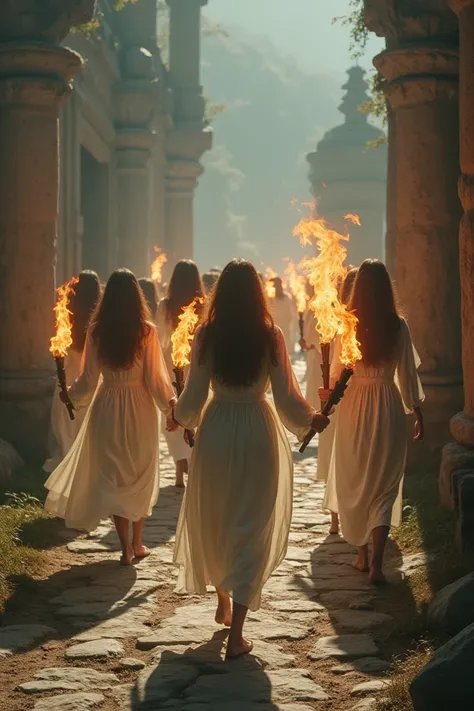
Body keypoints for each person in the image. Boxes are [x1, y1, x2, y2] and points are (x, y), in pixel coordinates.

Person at [172, 259, 330, 659]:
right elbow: (287, 397)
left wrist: (179, 416)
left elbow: (192, 396)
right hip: (259, 432)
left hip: (218, 431)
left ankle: (222, 599)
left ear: (220, 294)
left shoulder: (206, 335)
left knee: (220, 518)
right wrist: (311, 418)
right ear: (258, 294)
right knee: (251, 526)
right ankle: (237, 631)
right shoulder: (270, 335)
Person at [44, 269, 177, 566]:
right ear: (136, 297)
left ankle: (125, 547)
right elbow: (156, 379)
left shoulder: (97, 330)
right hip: (141, 407)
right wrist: (171, 408)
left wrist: (71, 395)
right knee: (140, 474)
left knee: (115, 475)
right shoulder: (147, 331)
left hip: (107, 407)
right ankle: (138, 542)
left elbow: (88, 379)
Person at [324, 260, 424, 584]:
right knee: (384, 485)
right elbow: (408, 375)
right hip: (388, 405)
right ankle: (377, 564)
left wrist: (328, 399)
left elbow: (340, 375)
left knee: (358, 479)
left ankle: (362, 553)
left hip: (355, 405)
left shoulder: (348, 326)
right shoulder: (399, 326)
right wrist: (417, 411)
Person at [315, 267, 359, 535]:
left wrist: (331, 391)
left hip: (349, 398)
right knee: (348, 458)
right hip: (360, 397)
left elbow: (337, 368)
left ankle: (337, 518)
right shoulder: (339, 321)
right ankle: (340, 517)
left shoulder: (344, 323)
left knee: (340, 457)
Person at [43, 270, 101, 472]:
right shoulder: (99, 321)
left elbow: (57, 346)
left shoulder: (65, 314)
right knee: (84, 430)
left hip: (66, 377)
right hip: (90, 379)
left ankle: (65, 470)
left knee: (65, 430)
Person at [156, 260, 205, 487]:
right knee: (194, 408)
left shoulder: (165, 305)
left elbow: (161, 338)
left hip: (171, 361)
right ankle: (191, 461)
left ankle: (179, 469)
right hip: (196, 362)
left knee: (174, 410)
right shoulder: (203, 305)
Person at [269, 276, 297, 354]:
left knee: (284, 348)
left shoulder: (286, 298)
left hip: (284, 326)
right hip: (276, 326)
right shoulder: (272, 298)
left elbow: (289, 314)